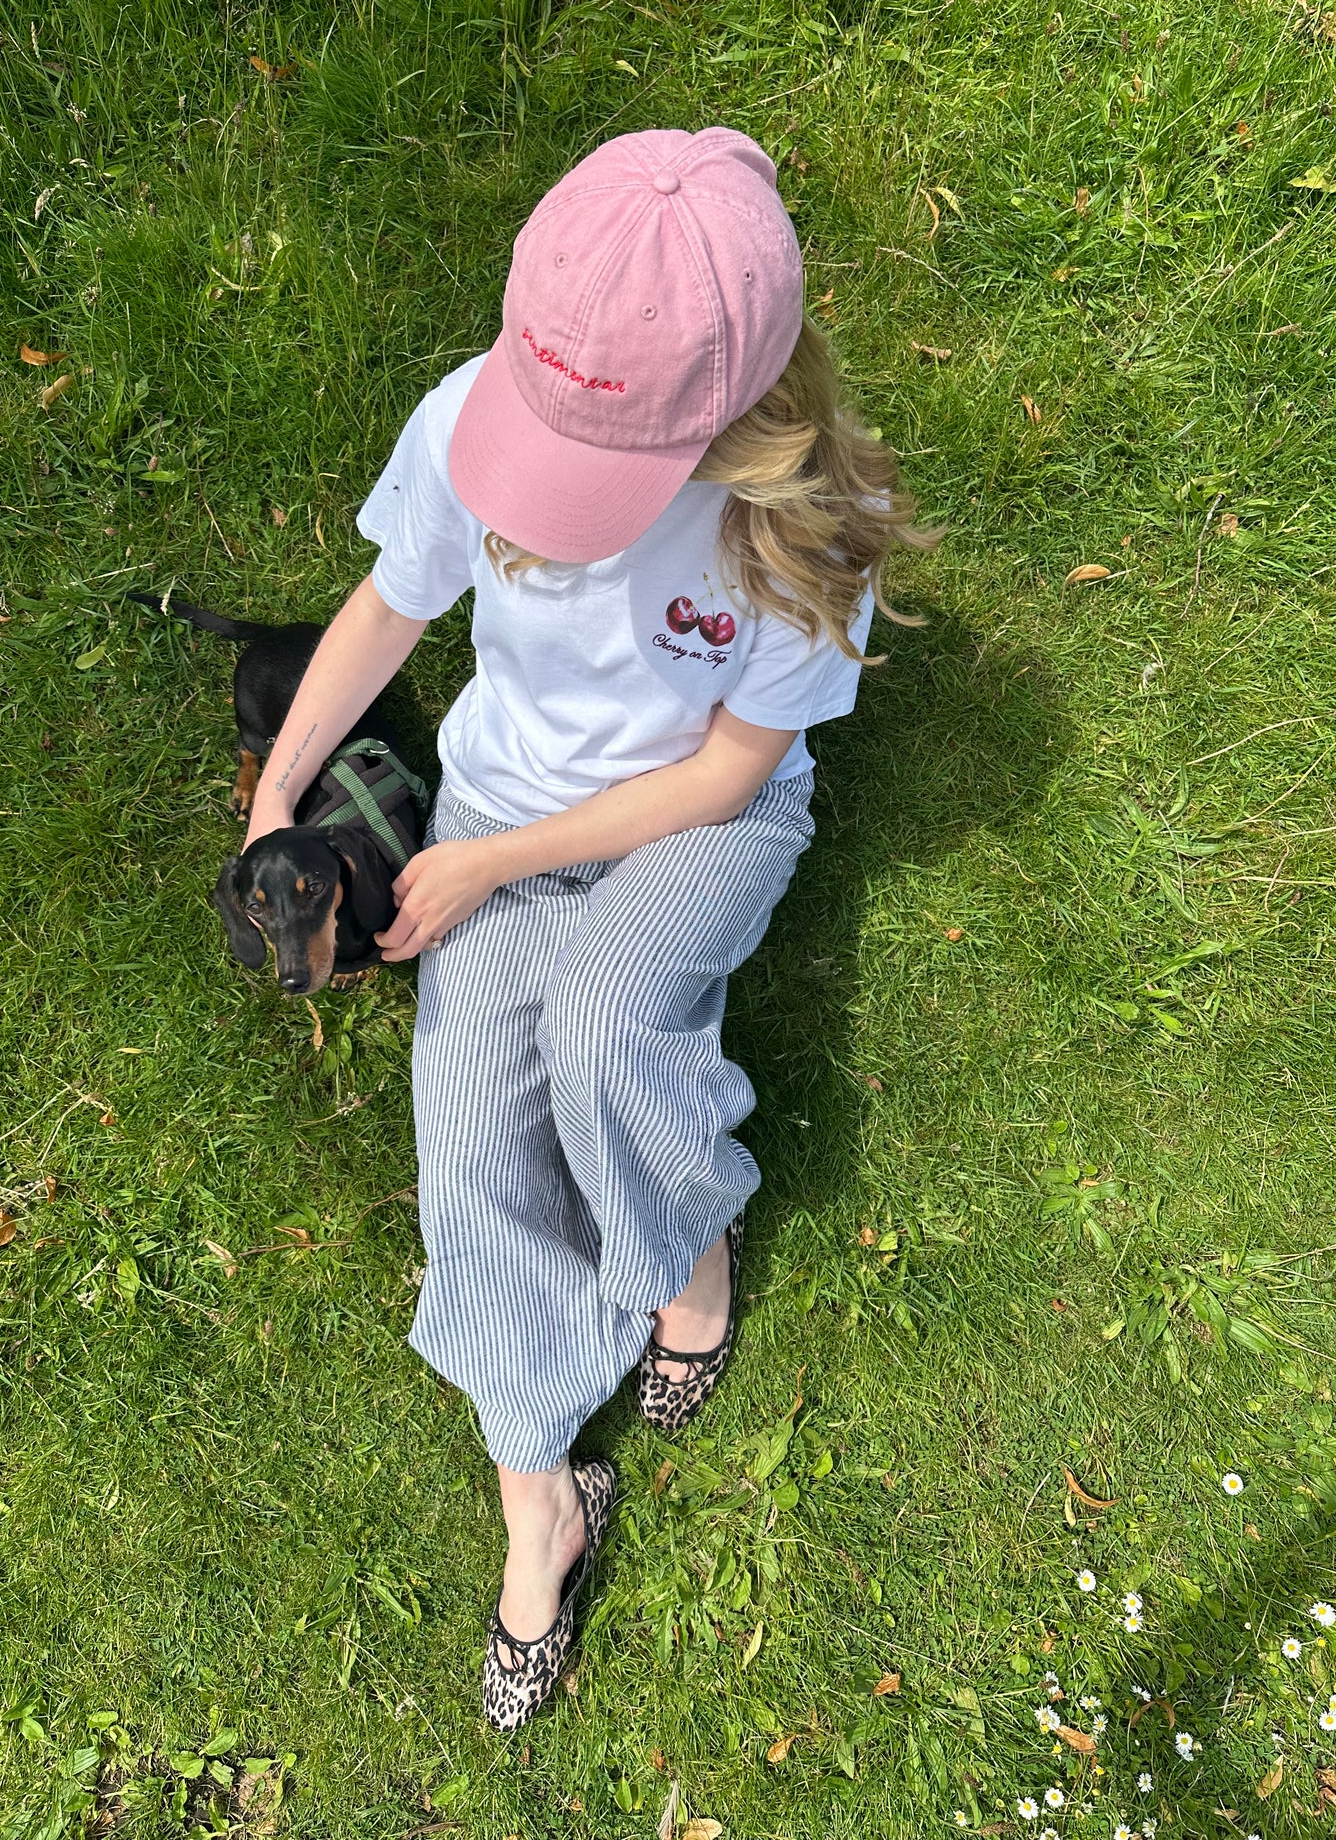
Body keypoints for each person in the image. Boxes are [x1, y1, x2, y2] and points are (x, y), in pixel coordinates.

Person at [242, 125, 938, 1728]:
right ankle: (539, 1504)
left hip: (695, 820)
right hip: (499, 813)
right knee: (467, 1136)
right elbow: (389, 607)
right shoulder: (464, 418)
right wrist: (279, 786)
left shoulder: (807, 520)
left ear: (741, 421)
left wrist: (494, 866)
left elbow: (729, 771)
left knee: (613, 1029)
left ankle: (688, 1259)